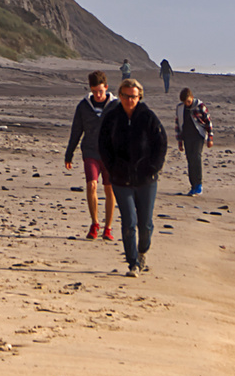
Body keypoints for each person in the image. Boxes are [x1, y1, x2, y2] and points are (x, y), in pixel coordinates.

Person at [98, 78, 167, 277]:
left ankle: (143, 250)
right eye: (126, 96)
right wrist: (111, 168)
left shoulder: (148, 117)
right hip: (120, 179)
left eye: (133, 97)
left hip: (146, 179)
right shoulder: (112, 118)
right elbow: (103, 145)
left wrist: (154, 167)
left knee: (145, 223)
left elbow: (161, 143)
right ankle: (133, 263)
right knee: (129, 220)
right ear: (120, 96)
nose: (129, 100)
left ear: (139, 97)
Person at [63, 71, 117, 241]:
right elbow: (76, 131)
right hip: (90, 152)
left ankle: (107, 228)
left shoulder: (116, 106)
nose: (98, 95)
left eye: (100, 91)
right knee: (92, 185)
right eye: (94, 91)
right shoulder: (83, 106)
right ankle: (95, 223)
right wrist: (69, 153)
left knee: (109, 189)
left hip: (110, 154)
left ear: (106, 88)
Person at [174, 88, 213, 195]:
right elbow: (178, 125)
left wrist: (210, 137)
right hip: (186, 137)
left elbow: (208, 122)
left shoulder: (200, 106)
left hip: (198, 136)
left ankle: (199, 185)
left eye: (188, 102)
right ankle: (193, 186)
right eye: (184, 102)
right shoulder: (180, 108)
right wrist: (179, 142)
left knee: (196, 157)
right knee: (190, 160)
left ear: (192, 98)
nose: (186, 104)